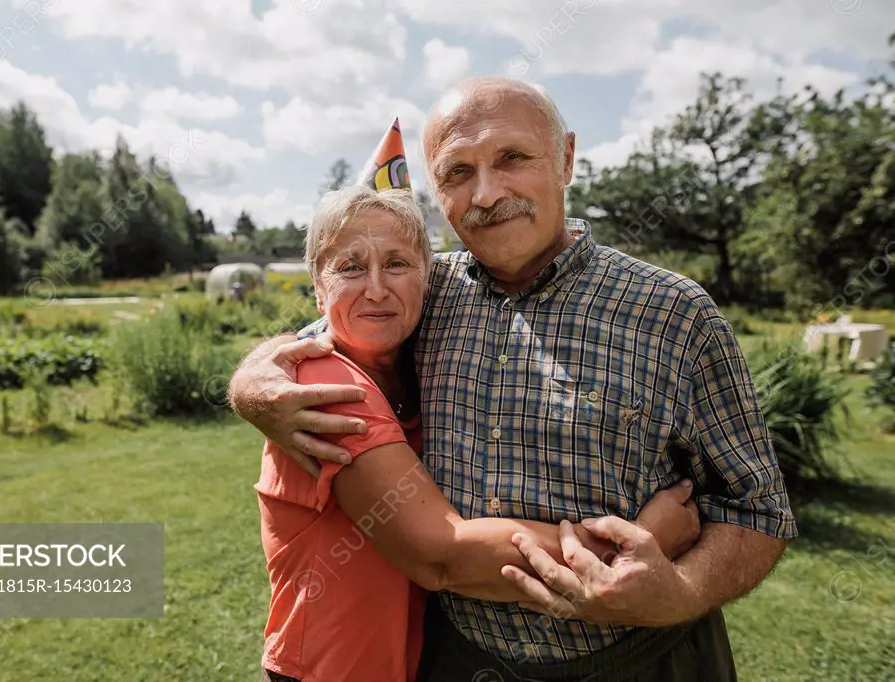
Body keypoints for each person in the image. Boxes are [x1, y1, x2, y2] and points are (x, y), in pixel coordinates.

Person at [232, 77, 797, 681]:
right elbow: (321, 334)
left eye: (512, 158)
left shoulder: (675, 313)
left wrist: (681, 589)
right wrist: (251, 384)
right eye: (456, 173)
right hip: (458, 658)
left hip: (641, 660)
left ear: (567, 159)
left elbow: (757, 510)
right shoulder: (423, 288)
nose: (486, 193)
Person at [255, 183, 699, 682]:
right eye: (351, 267)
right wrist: (636, 544)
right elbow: (441, 553)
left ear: (429, 280)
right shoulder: (327, 384)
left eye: (398, 264)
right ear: (319, 285)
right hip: (328, 669)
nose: (376, 288)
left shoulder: (409, 367)